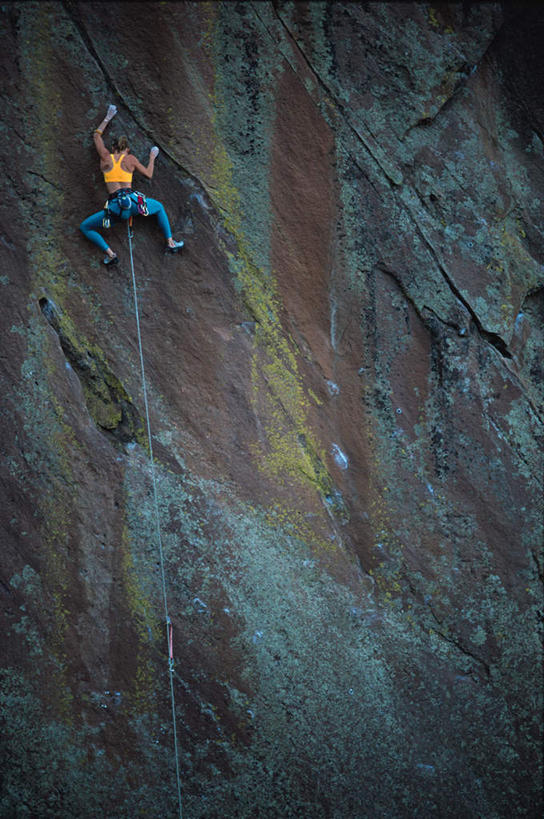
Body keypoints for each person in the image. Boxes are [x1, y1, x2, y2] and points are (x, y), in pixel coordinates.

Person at [80, 104, 184, 265]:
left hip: (115, 208)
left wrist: (108, 117)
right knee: (159, 207)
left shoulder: (106, 158)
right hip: (134, 204)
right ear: (127, 150)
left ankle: (111, 253)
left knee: (85, 227)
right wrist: (151, 157)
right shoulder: (131, 160)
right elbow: (149, 174)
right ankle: (170, 241)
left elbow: (96, 136)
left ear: (113, 148)